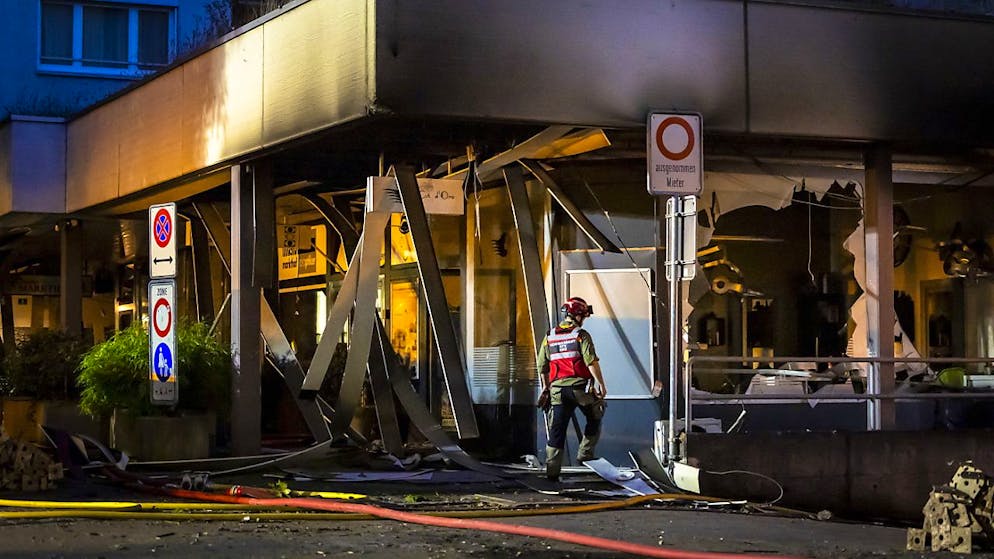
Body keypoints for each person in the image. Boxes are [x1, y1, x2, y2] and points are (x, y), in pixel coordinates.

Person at [536, 296, 607, 481]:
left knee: (557, 430)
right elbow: (591, 361)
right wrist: (600, 383)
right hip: (578, 389)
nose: (583, 320)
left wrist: (546, 387)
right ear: (576, 316)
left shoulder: (549, 337)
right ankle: (585, 454)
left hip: (557, 391)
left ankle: (552, 473)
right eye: (582, 316)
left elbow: (541, 365)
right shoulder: (580, 335)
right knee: (596, 413)